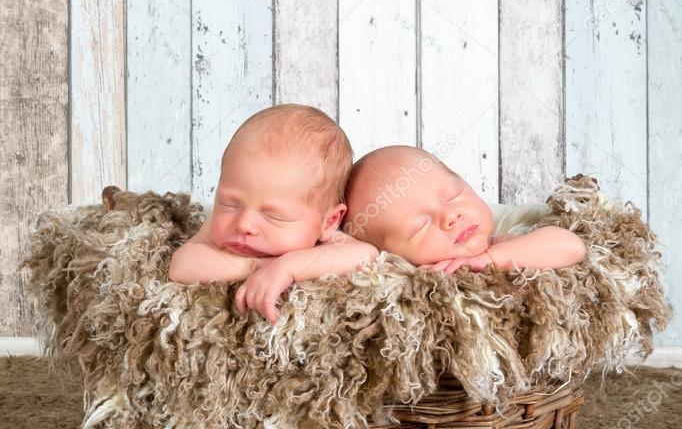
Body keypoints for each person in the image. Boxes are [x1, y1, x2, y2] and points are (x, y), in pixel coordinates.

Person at [168, 104, 378, 322]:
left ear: (329, 222)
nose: (244, 224)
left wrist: (288, 268)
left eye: (273, 216)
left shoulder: (323, 237)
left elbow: (365, 254)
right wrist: (257, 266)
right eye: (230, 204)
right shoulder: (221, 225)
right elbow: (181, 265)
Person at [343, 145, 586, 272]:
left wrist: (489, 259)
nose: (449, 216)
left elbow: (571, 247)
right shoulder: (408, 280)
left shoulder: (502, 243)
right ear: (391, 257)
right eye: (420, 227)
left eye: (454, 195)